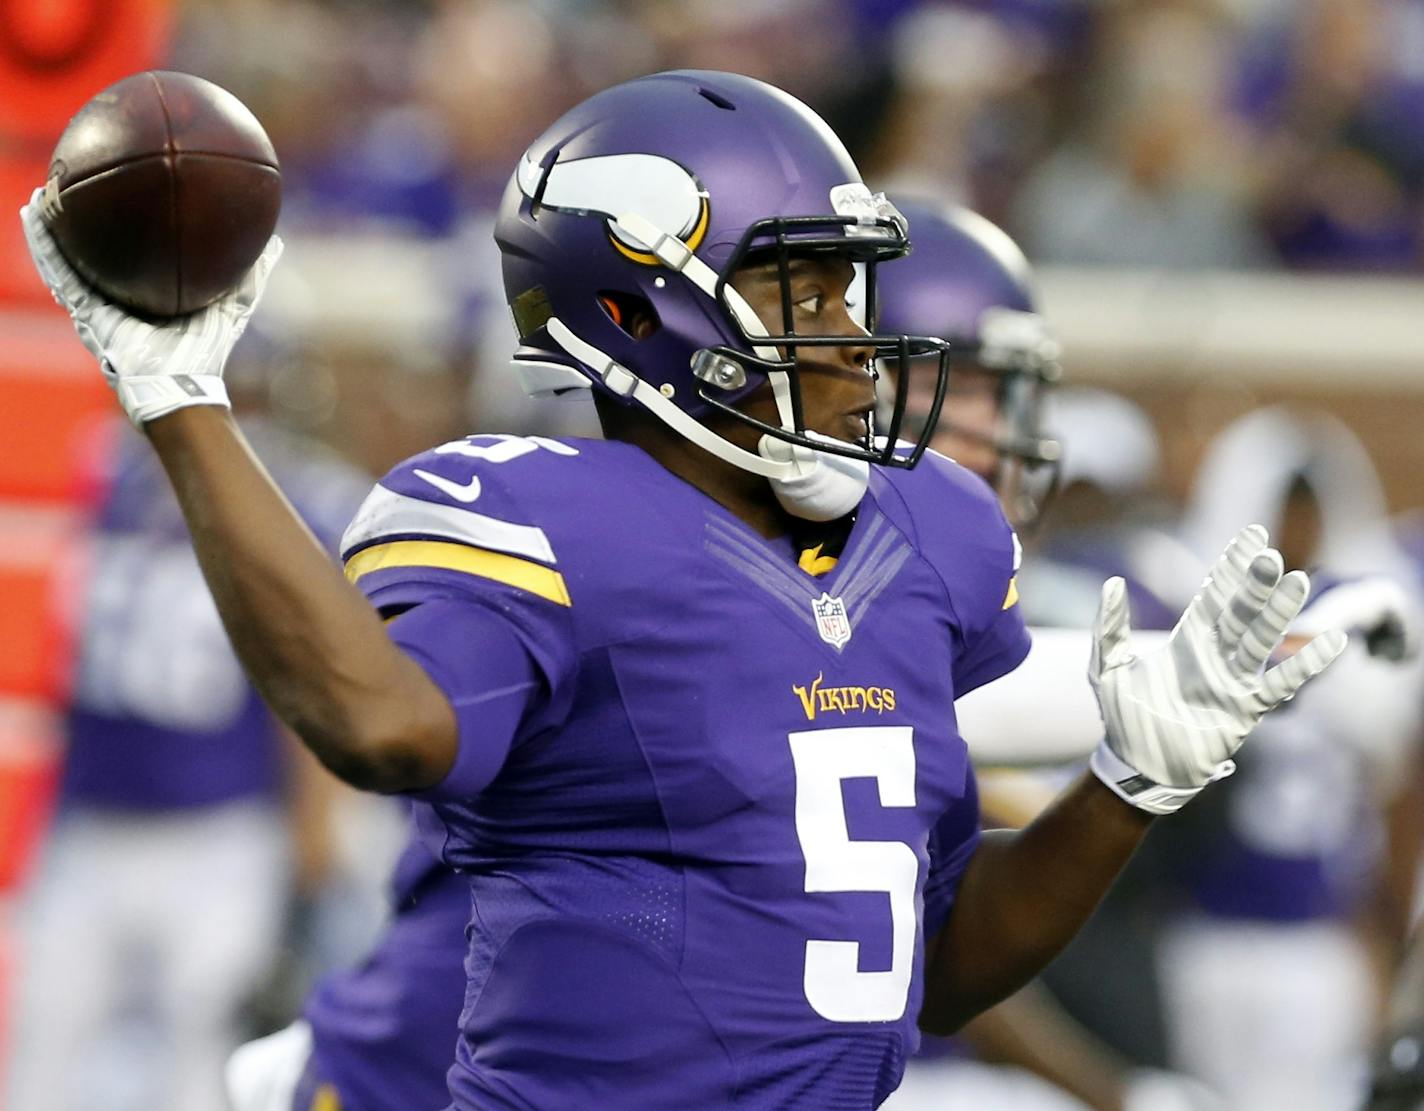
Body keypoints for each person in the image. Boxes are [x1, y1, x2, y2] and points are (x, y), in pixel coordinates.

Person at [20, 69, 1342, 1110]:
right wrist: (178, 392)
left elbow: (931, 967)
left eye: (850, 284)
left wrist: (1126, 788)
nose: (853, 339)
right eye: (806, 290)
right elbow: (389, 726)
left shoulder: (923, 534)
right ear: (646, 315)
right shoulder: (533, 514)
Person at [4, 401, 368, 1111]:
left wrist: (312, 836)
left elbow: (307, 678)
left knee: (204, 1060)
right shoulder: (105, 475)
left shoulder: (290, 500)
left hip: (220, 831)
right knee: (42, 1042)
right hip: (92, 822)